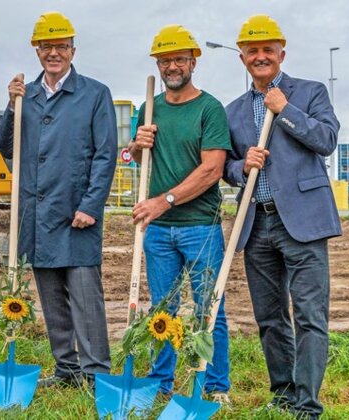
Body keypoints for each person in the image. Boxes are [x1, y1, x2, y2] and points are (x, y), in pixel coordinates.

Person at [223, 15, 340, 419]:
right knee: (270, 317)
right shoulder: (233, 110)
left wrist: (285, 109)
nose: (260, 57)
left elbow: (326, 140)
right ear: (242, 57)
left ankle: (307, 404)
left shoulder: (309, 93)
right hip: (257, 225)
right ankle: (284, 393)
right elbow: (227, 166)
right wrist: (241, 167)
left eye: (267, 50)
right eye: (252, 51)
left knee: (310, 316)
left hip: (304, 223)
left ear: (281, 54)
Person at [0, 11, 117, 388]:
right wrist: (11, 107)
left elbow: (105, 154)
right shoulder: (26, 95)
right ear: (37, 51)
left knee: (85, 298)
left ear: (72, 50)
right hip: (37, 215)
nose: (54, 53)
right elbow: (6, 147)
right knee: (51, 299)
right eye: (47, 46)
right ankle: (67, 370)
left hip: (75, 212)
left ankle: (97, 372)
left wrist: (91, 205)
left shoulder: (94, 94)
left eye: (61, 46)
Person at [129, 25, 231, 402]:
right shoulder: (148, 107)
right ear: (158, 63)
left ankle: (216, 386)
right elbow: (141, 162)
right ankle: (161, 382)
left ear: (192, 62)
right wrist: (137, 145)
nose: (172, 66)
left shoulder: (209, 109)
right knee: (162, 312)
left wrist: (163, 201)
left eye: (179, 59)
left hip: (199, 227)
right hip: (158, 232)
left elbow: (212, 170)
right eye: (165, 59)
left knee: (210, 309)